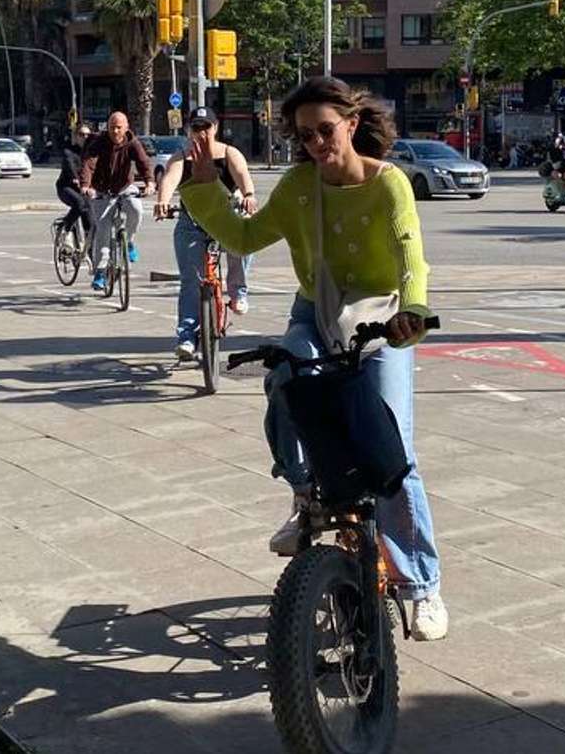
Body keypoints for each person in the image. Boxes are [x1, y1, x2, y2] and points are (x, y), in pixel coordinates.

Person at [178, 76, 446, 641]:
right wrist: (204, 188)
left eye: (326, 130)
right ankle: (306, 496)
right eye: (305, 135)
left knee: (392, 450)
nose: (317, 143)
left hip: (381, 317)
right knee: (287, 376)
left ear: (351, 124)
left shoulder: (389, 183)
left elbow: (411, 257)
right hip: (316, 313)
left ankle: (421, 585)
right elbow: (244, 238)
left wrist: (414, 311)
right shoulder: (300, 185)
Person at [153, 106, 257, 362]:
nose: (201, 132)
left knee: (244, 237)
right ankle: (187, 338)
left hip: (225, 221)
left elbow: (242, 175)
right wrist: (163, 201)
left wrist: (248, 195)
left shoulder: (229, 153)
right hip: (192, 225)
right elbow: (170, 179)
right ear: (189, 130)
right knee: (191, 282)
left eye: (206, 127)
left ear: (215, 128)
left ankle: (238, 292)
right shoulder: (182, 157)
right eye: (196, 127)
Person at [78, 111, 152, 297]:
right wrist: (86, 186)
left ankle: (130, 242)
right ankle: (101, 272)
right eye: (112, 127)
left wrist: (150, 182)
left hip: (124, 187)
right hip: (101, 190)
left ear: (126, 128)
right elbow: (88, 164)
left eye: (119, 127)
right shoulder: (99, 142)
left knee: (136, 209)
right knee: (103, 230)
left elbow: (143, 163)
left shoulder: (132, 143)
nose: (115, 131)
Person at [54, 123, 95, 253]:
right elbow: (70, 167)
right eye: (81, 134)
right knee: (79, 204)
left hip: (85, 191)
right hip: (67, 188)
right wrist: (77, 179)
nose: (85, 137)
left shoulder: (93, 153)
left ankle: (89, 251)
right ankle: (65, 228)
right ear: (76, 137)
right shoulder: (69, 152)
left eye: (88, 135)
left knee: (92, 222)